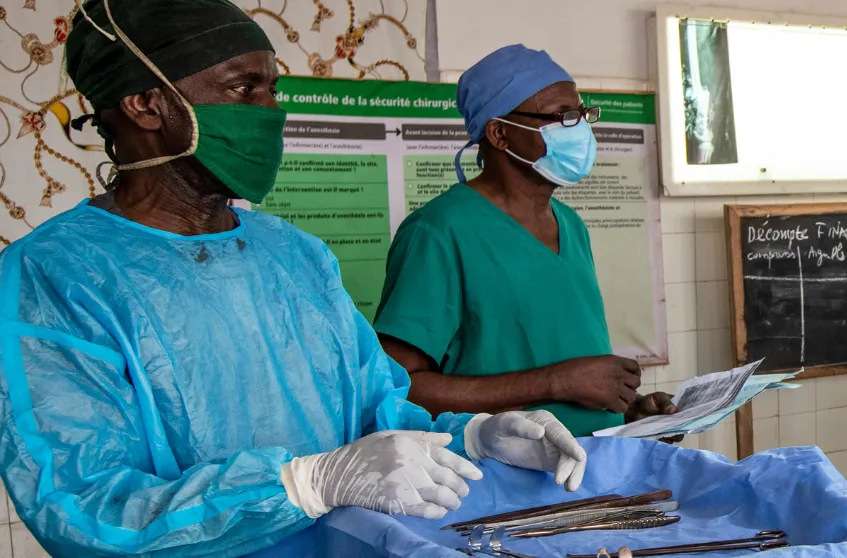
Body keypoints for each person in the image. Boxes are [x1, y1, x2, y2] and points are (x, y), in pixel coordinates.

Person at [0, 1, 588, 555]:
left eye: (272, 89)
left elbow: (379, 410)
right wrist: (304, 484)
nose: (270, 112)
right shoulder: (56, 275)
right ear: (147, 105)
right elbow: (79, 509)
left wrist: (476, 438)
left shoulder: (294, 255)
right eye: (242, 89)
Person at [376, 45, 676, 437]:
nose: (581, 129)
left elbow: (559, 363)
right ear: (500, 134)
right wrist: (556, 383)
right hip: (500, 482)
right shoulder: (438, 232)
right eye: (563, 117)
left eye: (583, 114)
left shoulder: (569, 224)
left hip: (594, 469)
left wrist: (625, 412)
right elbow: (402, 389)